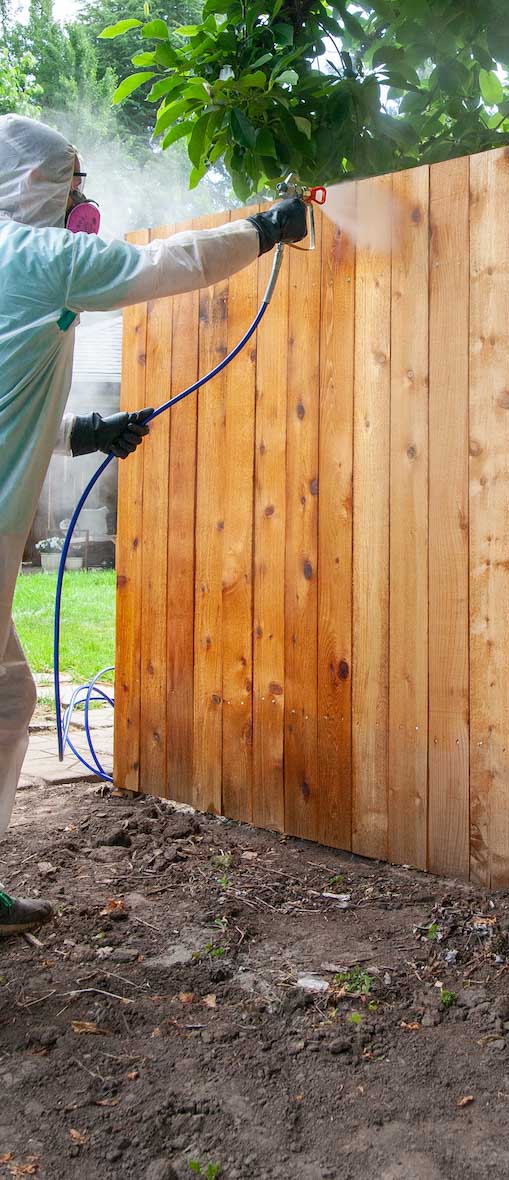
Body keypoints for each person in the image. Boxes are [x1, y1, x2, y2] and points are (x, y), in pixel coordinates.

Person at [0, 113, 307, 934]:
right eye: (69, 184)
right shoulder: (31, 255)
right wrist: (262, 230)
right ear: (33, 184)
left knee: (6, 696)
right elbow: (160, 263)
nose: (79, 201)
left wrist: (83, 434)